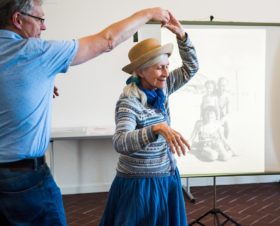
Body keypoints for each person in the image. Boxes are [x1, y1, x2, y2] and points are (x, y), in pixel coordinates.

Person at [0, 0, 171, 225]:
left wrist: (30, 87)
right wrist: (148, 13)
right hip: (23, 180)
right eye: (40, 19)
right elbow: (106, 40)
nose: (44, 27)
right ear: (18, 19)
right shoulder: (34, 52)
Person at [99, 12, 199, 226]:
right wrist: (155, 129)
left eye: (167, 66)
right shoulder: (129, 101)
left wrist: (182, 36)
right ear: (141, 72)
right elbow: (120, 141)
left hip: (166, 176)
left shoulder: (164, 86)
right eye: (159, 67)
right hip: (139, 185)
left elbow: (192, 68)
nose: (165, 73)